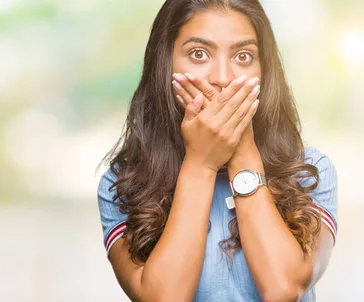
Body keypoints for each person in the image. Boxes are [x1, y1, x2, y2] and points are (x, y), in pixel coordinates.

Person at [97, 0, 338, 301]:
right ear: (165, 64)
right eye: (199, 54)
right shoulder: (123, 184)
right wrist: (201, 163)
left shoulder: (310, 172)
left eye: (243, 55)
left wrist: (242, 152)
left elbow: (284, 290)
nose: (222, 78)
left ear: (264, 71)